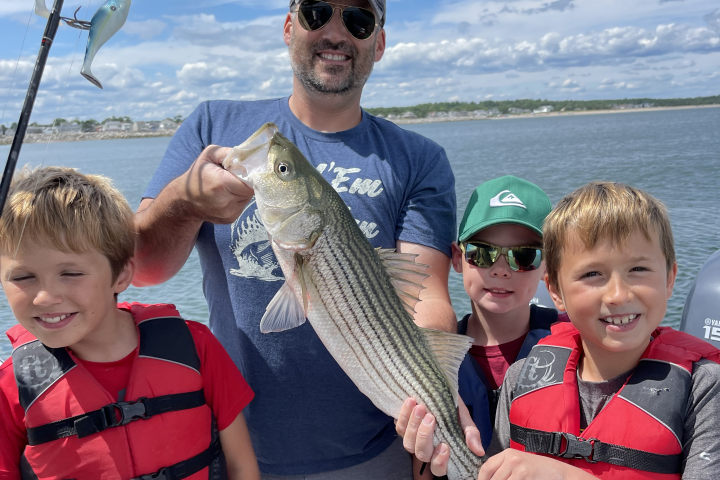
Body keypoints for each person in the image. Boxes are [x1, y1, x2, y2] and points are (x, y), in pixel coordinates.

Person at [133, 0, 458, 478]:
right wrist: (184, 200)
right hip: (232, 448)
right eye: (316, 12)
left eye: (358, 20)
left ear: (379, 42)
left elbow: (426, 296)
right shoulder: (212, 127)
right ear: (289, 27)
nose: (335, 31)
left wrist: (440, 404)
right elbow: (142, 268)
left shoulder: (419, 158)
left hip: (372, 455)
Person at [415, 181, 720, 478]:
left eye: (638, 269)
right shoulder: (521, 377)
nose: (618, 294)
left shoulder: (703, 388)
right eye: (592, 273)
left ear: (670, 278)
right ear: (556, 290)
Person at [0, 167, 260, 480]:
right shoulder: (10, 389)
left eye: (70, 273)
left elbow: (242, 466)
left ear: (122, 273)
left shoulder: (196, 347)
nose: (44, 297)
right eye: (22, 277)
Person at [397, 176, 557, 478]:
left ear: (547, 265)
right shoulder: (436, 356)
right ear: (458, 258)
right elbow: (423, 470)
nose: (500, 269)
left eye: (523, 256)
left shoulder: (572, 342)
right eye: (481, 253)